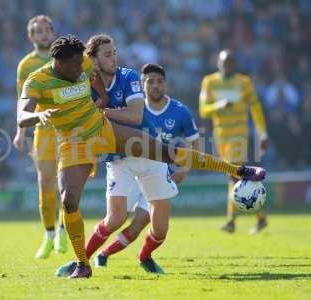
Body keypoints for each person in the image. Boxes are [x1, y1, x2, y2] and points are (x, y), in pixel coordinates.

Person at [18, 34, 266, 278]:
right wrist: (37, 117)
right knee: (69, 201)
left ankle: (238, 170)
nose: (79, 71)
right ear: (59, 64)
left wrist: (102, 97)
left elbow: (95, 78)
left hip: (102, 129)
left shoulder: (85, 63)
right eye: (75, 67)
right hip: (73, 144)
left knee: (167, 153)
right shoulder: (37, 81)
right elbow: (21, 114)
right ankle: (83, 264)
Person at [57, 35, 179, 276]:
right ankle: (80, 261)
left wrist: (100, 112)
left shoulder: (129, 76)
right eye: (107, 54)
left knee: (160, 229)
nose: (113, 58)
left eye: (114, 53)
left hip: (149, 153)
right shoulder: (84, 85)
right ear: (92, 59)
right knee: (115, 218)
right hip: (118, 159)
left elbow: (135, 116)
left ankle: (145, 256)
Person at [93, 63, 201, 272]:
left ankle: (117, 255)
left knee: (142, 222)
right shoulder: (132, 108)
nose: (155, 86)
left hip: (155, 173)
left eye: (159, 81)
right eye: (150, 82)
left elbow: (194, 142)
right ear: (142, 86)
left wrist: (183, 170)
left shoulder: (180, 111)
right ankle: (99, 253)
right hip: (128, 169)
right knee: (116, 217)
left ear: (165, 84)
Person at [13, 15, 68, 258]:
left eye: (48, 30)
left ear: (53, 32)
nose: (44, 34)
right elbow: (23, 101)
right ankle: (49, 235)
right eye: (39, 31)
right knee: (46, 182)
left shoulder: (68, 58)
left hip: (69, 128)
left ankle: (65, 232)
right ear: (31, 36)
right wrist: (20, 131)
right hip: (43, 129)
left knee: (68, 183)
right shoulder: (26, 65)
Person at [199, 49, 269, 235]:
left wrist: (262, 134)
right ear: (218, 63)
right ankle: (260, 217)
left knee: (234, 175)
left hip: (239, 135)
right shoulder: (210, 82)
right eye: (224, 62)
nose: (227, 65)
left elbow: (256, 109)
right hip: (221, 135)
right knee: (236, 176)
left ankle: (232, 221)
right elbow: (203, 110)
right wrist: (218, 106)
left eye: (230, 62)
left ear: (235, 64)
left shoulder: (244, 82)